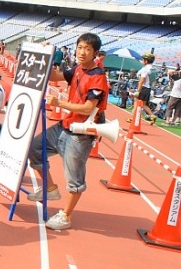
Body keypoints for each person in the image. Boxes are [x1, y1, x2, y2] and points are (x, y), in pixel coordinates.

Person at [26, 33, 109, 231]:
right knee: (34, 149)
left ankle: (66, 215)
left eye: (87, 49)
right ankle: (50, 188)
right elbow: (54, 76)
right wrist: (47, 54)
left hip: (80, 134)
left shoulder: (97, 77)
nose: (82, 52)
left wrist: (60, 103)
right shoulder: (78, 69)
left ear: (95, 53)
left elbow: (89, 108)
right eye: (80, 47)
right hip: (65, 126)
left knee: (74, 179)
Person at [126, 53, 158, 125]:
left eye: (143, 60)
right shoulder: (153, 69)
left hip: (143, 87)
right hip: (148, 88)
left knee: (136, 103)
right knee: (143, 105)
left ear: (146, 61)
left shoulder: (145, 69)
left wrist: (138, 90)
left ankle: (133, 118)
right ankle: (152, 115)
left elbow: (142, 80)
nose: (142, 61)